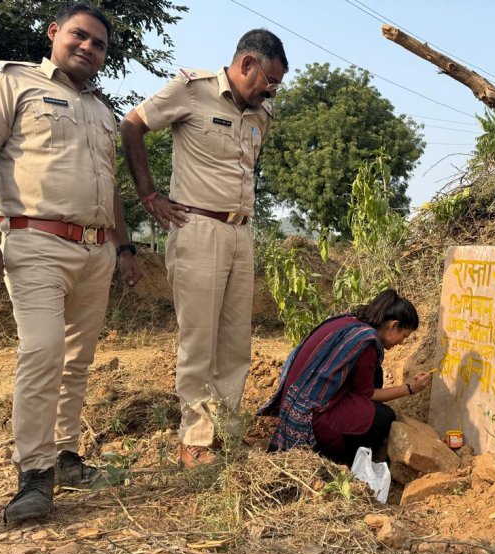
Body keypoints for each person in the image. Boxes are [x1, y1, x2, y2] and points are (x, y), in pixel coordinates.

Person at [0, 2, 142, 524]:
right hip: (35, 241)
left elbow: (109, 188)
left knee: (78, 361)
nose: (89, 47)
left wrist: (124, 247)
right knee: (43, 351)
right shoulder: (10, 83)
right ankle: (33, 475)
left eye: (99, 44)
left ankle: (64, 456)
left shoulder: (102, 111)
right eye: (80, 36)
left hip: (97, 249)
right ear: (54, 32)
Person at [120, 29, 288, 468]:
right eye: (268, 79)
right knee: (198, 339)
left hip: (240, 233)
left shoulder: (261, 113)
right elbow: (132, 124)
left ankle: (226, 432)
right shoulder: (191, 90)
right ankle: (194, 437)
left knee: (235, 342)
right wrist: (148, 194)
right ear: (247, 63)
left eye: (277, 85)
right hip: (196, 227)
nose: (270, 90)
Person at [258, 289, 432, 464]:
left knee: (375, 373)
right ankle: (343, 462)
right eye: (404, 336)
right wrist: (409, 389)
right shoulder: (367, 343)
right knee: (383, 417)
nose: (401, 342)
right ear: (393, 325)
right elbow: (368, 394)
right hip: (308, 421)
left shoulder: (348, 322)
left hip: (290, 408)